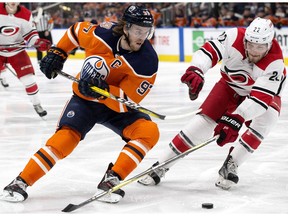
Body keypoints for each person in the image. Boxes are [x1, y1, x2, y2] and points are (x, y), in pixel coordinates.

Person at [0, 5, 159, 203]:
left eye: (147, 31)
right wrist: (59, 52)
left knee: (149, 132)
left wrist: (104, 92)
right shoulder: (102, 34)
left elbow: (127, 102)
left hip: (115, 107)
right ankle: (20, 182)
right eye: (138, 30)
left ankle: (112, 179)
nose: (143, 36)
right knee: (66, 138)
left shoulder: (147, 60)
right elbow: (76, 32)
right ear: (125, 27)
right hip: (85, 101)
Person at [138, 17, 286, 190]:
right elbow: (209, 51)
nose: (253, 51)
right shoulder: (234, 36)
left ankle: (233, 163)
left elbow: (260, 99)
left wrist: (237, 117)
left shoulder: (275, 62)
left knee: (267, 121)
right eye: (251, 44)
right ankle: (161, 165)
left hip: (263, 96)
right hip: (229, 87)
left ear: (269, 44)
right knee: (200, 125)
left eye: (260, 47)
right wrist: (197, 69)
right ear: (245, 39)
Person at [0, 2, 51, 118]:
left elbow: (30, 34)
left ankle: (37, 104)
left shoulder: (26, 14)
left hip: (17, 51)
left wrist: (37, 42)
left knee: (29, 80)